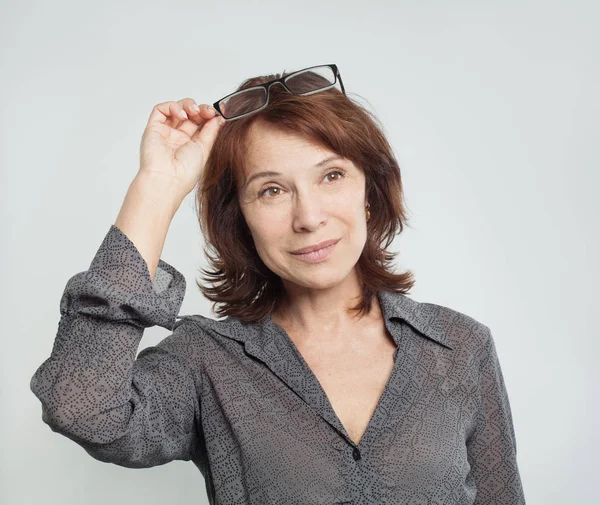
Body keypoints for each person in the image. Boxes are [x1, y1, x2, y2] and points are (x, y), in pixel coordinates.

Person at [30, 64, 526, 504]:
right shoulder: (206, 361)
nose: (308, 217)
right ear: (241, 218)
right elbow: (82, 408)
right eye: (271, 190)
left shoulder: (461, 347)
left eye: (331, 176)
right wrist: (157, 187)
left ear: (370, 192)